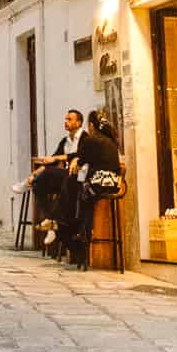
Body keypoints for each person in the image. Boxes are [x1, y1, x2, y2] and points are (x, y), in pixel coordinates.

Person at [58, 108, 123, 269]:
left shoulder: (91, 140)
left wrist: (75, 162)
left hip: (99, 184)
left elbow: (81, 161)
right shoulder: (110, 141)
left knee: (78, 196)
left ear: (92, 126)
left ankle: (80, 237)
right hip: (114, 184)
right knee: (79, 194)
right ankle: (74, 230)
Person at [25, 109, 84, 250]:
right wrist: (35, 174)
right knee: (38, 183)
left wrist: (58, 158)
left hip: (77, 178)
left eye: (69, 119)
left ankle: (54, 222)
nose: (66, 122)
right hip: (64, 177)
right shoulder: (65, 140)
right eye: (65, 119)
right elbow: (52, 158)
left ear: (78, 122)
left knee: (50, 173)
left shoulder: (84, 138)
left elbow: (80, 154)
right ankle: (51, 221)